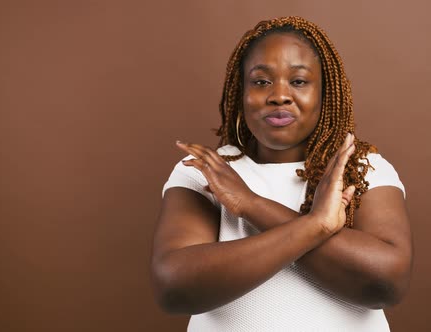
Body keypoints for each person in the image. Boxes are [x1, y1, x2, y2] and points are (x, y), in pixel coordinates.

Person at [151, 16, 412, 332]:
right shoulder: (208, 171)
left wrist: (251, 205)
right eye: (261, 81)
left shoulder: (359, 168)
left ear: (325, 93)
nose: (278, 95)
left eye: (299, 81)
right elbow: (175, 288)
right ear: (240, 91)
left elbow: (385, 283)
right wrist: (316, 226)